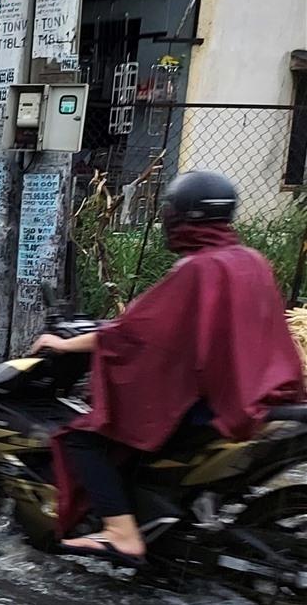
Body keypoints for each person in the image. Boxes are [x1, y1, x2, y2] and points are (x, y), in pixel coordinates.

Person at [40, 170, 305, 564]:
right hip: (258, 394)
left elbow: (134, 336)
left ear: (184, 219)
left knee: (84, 437)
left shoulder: (197, 269)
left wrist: (63, 344)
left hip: (213, 407)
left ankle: (121, 532)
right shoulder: (251, 261)